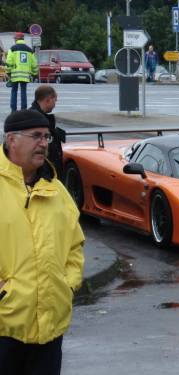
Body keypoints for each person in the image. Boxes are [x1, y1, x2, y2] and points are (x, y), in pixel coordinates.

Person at [0, 109, 85, 374]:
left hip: (50, 327)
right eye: (36, 136)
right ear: (11, 140)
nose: (43, 144)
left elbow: (75, 246)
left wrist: (67, 286)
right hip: (5, 327)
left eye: (47, 137)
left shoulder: (57, 191)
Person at [30, 85, 64, 179]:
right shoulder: (37, 120)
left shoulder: (37, 116)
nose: (55, 104)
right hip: (45, 176)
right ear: (48, 99)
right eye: (54, 101)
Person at [6, 32, 38, 112]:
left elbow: (9, 62)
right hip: (25, 75)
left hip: (15, 74)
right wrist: (34, 73)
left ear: (17, 39)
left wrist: (8, 72)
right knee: (23, 91)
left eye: (15, 38)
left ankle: (13, 110)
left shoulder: (13, 48)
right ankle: (24, 109)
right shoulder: (29, 50)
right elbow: (34, 63)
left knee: (14, 91)